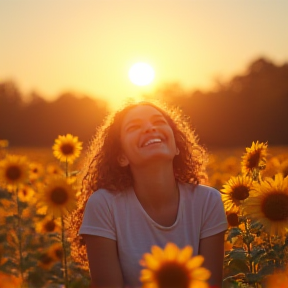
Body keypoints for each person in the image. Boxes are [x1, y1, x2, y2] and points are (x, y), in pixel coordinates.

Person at [69, 99, 228, 288]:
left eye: (159, 122)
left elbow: (209, 285)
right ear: (121, 156)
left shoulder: (207, 202)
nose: (150, 128)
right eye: (134, 127)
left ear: (177, 146)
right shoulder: (104, 205)